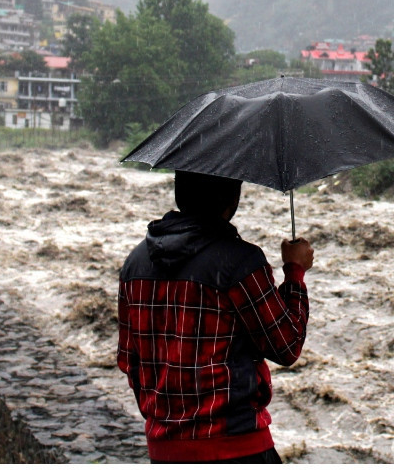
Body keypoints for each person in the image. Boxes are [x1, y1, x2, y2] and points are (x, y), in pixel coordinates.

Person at [117, 171, 313, 463]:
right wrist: (295, 272)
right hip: (237, 448)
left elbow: (129, 361)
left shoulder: (135, 264)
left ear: (179, 192)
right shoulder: (241, 262)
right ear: (232, 199)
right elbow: (287, 346)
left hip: (165, 451)